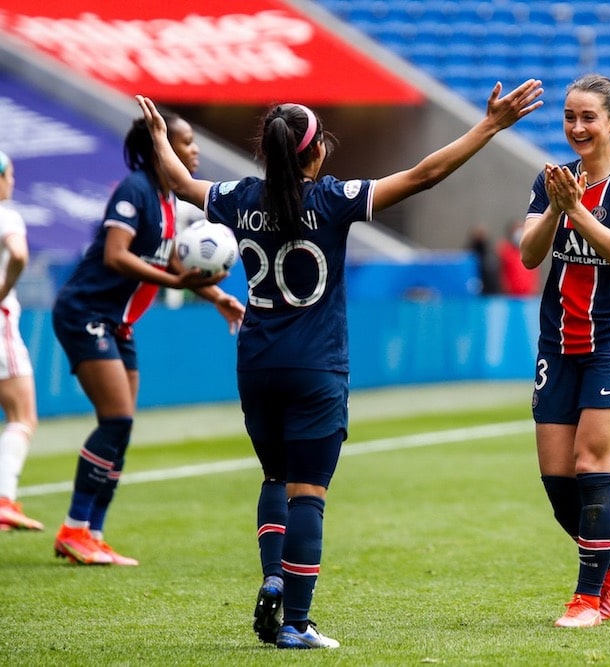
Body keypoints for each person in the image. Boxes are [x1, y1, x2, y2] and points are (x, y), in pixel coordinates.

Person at [137, 77, 543, 649]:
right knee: (309, 493)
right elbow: (424, 174)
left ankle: (274, 577)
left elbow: (180, 183)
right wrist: (490, 126)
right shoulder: (332, 199)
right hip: (317, 366)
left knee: (276, 478)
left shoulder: (239, 199)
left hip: (256, 363)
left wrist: (158, 138)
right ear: (317, 151)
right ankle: (297, 624)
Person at [51, 115, 245, 565]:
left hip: (118, 323)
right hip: (87, 313)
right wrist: (175, 284)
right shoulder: (134, 189)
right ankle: (74, 530)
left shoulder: (168, 201)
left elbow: (175, 267)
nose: (194, 151)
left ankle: (92, 533)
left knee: (123, 427)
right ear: (162, 148)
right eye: (186, 143)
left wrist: (216, 296)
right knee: (115, 420)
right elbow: (116, 255)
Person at [519, 74, 610, 628]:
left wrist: (578, 213)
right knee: (558, 482)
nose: (577, 128)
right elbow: (531, 256)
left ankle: (586, 599)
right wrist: (557, 207)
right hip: (560, 341)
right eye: (569, 118)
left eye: (588, 118)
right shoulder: (550, 181)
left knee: (591, 467)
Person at [0, 150, 43, 532]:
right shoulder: (6, 214)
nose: (12, 181)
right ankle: (4, 497)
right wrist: (4, 288)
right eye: (9, 174)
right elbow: (18, 253)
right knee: (23, 415)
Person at [497, 219, 539, 295]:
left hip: (528, 297)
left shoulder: (531, 250)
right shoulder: (504, 251)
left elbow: (535, 274)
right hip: (509, 297)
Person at [467, 224, 502, 295]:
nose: (480, 236)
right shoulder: (469, 253)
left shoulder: (491, 252)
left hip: (490, 291)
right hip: (474, 292)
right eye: (478, 233)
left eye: (482, 234)